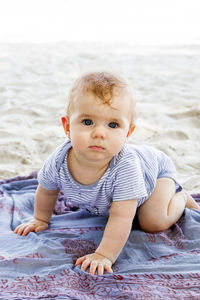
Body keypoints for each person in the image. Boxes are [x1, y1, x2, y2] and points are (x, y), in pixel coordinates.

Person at [14, 71, 200, 276]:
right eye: (87, 122)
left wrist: (104, 255)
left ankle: (180, 196)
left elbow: (121, 216)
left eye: (113, 125)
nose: (99, 133)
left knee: (151, 222)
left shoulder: (124, 167)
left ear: (128, 133)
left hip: (156, 175)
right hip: (131, 184)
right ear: (67, 126)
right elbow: (46, 191)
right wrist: (40, 219)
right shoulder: (58, 160)